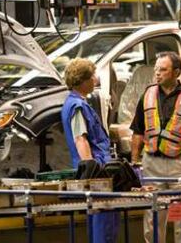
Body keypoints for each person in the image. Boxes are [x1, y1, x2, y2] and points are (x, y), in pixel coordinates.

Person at [130, 51, 181, 243]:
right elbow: (138, 132)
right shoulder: (147, 95)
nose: (157, 73)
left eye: (163, 70)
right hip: (151, 164)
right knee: (152, 215)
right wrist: (134, 162)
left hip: (180, 163)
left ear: (176, 72)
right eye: (156, 69)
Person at [61, 58, 119, 243]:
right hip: (97, 173)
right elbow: (81, 139)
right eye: (92, 75)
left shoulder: (77, 102)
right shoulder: (77, 106)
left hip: (97, 170)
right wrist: (92, 172)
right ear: (83, 79)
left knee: (101, 218)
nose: (96, 79)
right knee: (104, 221)